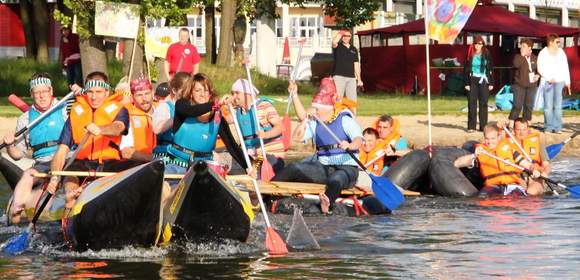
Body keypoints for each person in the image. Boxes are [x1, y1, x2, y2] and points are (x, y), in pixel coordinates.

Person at [47, 72, 139, 210]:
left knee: (135, 166)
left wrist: (101, 129)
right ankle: (71, 195)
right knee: (70, 172)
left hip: (109, 163)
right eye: (90, 92)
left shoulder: (120, 109)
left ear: (107, 92)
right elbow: (62, 150)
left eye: (98, 92)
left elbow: (118, 127)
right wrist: (54, 177)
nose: (94, 97)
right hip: (82, 163)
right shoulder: (76, 112)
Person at [273, 81, 362, 214]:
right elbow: (297, 138)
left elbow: (358, 140)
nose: (315, 111)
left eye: (317, 109)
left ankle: (327, 202)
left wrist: (350, 145)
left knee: (336, 178)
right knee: (294, 168)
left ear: (326, 108)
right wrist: (304, 121)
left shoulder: (345, 119)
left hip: (347, 168)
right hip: (324, 168)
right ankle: (267, 192)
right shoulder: (315, 123)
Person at [3, 73, 67, 224]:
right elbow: (18, 155)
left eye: (44, 91)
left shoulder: (66, 109)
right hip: (43, 163)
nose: (42, 96)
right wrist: (10, 144)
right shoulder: (25, 119)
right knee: (27, 175)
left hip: (67, 157)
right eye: (37, 93)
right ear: (31, 94)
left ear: (51, 91)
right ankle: (16, 215)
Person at [164, 73, 247, 176]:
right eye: (197, 90)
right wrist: (216, 104)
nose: (202, 94)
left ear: (210, 93)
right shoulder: (182, 105)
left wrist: (247, 166)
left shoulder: (217, 116)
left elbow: (231, 145)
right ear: (191, 93)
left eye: (206, 90)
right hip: (177, 166)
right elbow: (192, 111)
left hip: (203, 167)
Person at [454, 124, 541, 196]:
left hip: (512, 185)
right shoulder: (481, 151)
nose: (490, 142)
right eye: (487, 139)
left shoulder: (509, 149)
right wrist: (474, 155)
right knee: (482, 196)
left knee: (516, 198)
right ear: (484, 138)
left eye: (493, 139)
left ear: (498, 138)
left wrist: (533, 169)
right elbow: (457, 164)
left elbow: (526, 164)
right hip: (493, 186)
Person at [228, 78, 285, 173]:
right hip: (251, 155)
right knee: (233, 169)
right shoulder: (237, 111)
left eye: (237, 93)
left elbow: (280, 127)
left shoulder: (264, 105)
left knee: (256, 170)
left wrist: (265, 135)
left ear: (248, 94)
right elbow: (224, 120)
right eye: (232, 93)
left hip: (269, 154)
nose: (234, 96)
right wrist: (225, 105)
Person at [537, 33, 571, 134]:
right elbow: (540, 68)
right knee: (548, 105)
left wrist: (568, 82)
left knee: (558, 105)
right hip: (548, 82)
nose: (559, 43)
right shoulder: (543, 52)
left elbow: (565, 67)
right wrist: (548, 77)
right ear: (550, 42)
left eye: (559, 42)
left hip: (560, 81)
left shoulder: (561, 52)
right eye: (557, 42)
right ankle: (548, 127)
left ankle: (557, 127)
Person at [152, 73, 190, 162]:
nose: (188, 94)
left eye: (191, 90)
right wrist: (178, 116)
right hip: (164, 154)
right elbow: (156, 129)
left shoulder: (192, 108)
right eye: (185, 90)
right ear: (174, 90)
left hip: (185, 156)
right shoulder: (165, 107)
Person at [508, 118, 551, 195]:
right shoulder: (507, 143)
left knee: (531, 192)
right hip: (517, 177)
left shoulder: (537, 142)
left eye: (524, 130)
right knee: (517, 194)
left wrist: (545, 173)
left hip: (535, 177)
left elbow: (546, 165)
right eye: (518, 130)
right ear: (514, 130)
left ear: (528, 129)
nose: (521, 133)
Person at [120, 77, 157, 162]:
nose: (144, 99)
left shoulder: (163, 112)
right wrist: (155, 159)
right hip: (136, 165)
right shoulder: (126, 117)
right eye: (139, 95)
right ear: (132, 97)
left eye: (147, 93)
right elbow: (126, 152)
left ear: (153, 93)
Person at [464, 35, 494, 132]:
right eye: (476, 43)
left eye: (480, 43)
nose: (478, 45)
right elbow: (465, 69)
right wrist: (466, 83)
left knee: (483, 103)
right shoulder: (470, 54)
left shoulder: (487, 54)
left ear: (483, 45)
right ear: (473, 44)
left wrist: (491, 83)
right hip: (472, 79)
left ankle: (483, 126)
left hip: (484, 80)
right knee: (472, 103)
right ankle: (471, 126)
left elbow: (490, 69)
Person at [508, 39, 540, 128]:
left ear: (530, 48)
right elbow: (516, 65)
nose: (521, 48)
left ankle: (527, 121)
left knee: (529, 105)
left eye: (524, 46)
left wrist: (538, 75)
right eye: (521, 46)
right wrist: (522, 56)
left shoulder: (534, 58)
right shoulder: (518, 57)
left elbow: (538, 70)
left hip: (531, 85)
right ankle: (511, 121)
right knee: (517, 104)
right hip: (519, 85)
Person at [332, 29, 363, 103]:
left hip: (351, 78)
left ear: (350, 37)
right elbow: (334, 42)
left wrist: (359, 79)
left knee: (352, 101)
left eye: (348, 36)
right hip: (339, 77)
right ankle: (337, 114)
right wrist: (341, 32)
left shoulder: (354, 49)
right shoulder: (338, 47)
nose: (346, 37)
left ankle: (353, 115)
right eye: (344, 36)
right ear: (342, 37)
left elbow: (356, 64)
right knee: (338, 100)